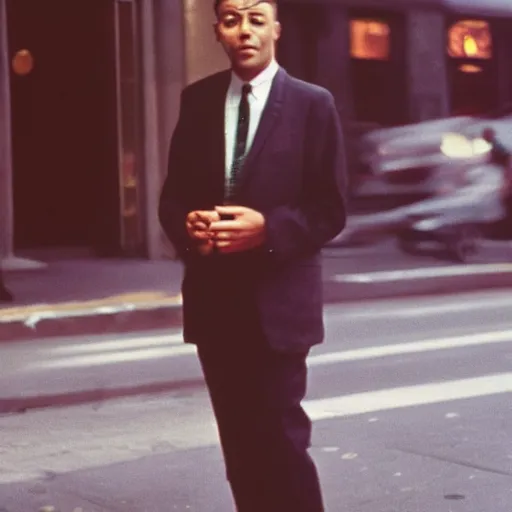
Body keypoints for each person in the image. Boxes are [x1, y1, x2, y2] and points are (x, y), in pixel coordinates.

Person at [158, 0, 347, 510]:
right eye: (232, 20)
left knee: (282, 443)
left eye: (256, 19)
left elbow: (330, 209)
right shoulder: (196, 100)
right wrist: (189, 227)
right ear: (218, 31)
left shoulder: (313, 104)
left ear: (275, 31)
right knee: (239, 447)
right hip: (215, 303)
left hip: (279, 306)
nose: (244, 30)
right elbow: (174, 197)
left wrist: (267, 230)